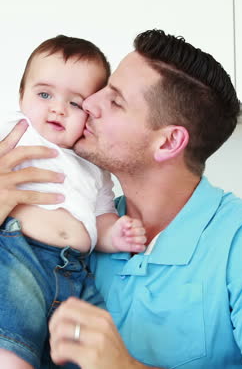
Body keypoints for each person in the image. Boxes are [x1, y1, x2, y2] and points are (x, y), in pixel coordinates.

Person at [0, 29, 242, 369]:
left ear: (168, 143)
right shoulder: (84, 225)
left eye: (114, 100)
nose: (89, 103)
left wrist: (126, 367)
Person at [0, 35, 146, 369]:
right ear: (21, 96)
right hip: (19, 254)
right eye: (44, 94)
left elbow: (102, 216)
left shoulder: (93, 165)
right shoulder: (16, 131)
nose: (57, 108)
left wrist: (116, 236)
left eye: (75, 103)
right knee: (11, 334)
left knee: (91, 347)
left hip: (75, 273)